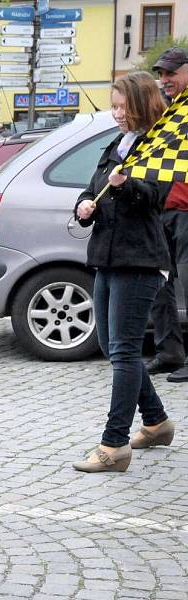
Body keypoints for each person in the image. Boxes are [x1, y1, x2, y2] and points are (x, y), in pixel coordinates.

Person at [72, 72, 175, 473]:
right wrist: (84, 205)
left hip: (140, 261)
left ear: (141, 104)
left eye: (122, 106)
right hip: (107, 256)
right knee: (110, 343)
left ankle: (114, 445)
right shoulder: (117, 143)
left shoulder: (160, 146)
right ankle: (157, 423)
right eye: (113, 106)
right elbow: (92, 186)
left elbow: (153, 198)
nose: (116, 113)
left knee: (125, 351)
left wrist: (123, 185)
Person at [146, 47, 188, 382]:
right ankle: (170, 352)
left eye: (171, 73)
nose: (164, 80)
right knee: (161, 284)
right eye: (161, 74)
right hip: (162, 210)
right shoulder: (166, 113)